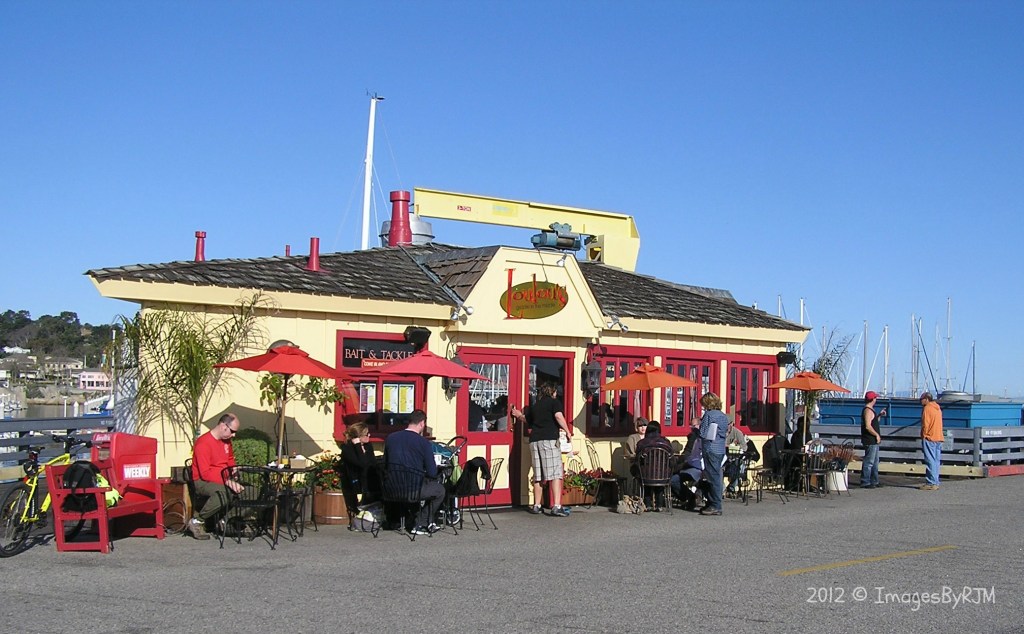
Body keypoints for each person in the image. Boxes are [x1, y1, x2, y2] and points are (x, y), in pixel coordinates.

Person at [510, 382, 573, 517]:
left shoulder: (535, 406)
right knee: (555, 473)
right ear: (552, 392)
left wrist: (517, 414)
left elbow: (526, 419)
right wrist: (567, 431)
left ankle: (537, 505)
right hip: (549, 440)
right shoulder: (554, 403)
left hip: (534, 441)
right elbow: (558, 416)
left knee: (538, 474)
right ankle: (556, 506)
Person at [383, 409, 445, 534]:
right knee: (440, 490)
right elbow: (432, 472)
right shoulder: (423, 443)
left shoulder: (391, 438)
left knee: (418, 485)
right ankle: (421, 523)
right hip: (413, 490)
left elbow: (385, 463)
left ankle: (403, 519)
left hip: (391, 489)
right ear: (422, 423)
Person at [189, 412, 244, 540]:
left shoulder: (227, 441)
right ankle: (197, 521)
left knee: (253, 492)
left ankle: (226, 520)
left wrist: (234, 470)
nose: (234, 435)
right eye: (232, 431)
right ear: (223, 426)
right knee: (223, 493)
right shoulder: (203, 443)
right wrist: (227, 481)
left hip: (223, 478)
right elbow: (205, 473)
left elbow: (230, 458)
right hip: (203, 481)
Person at [697, 392, 729, 516]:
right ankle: (712, 502)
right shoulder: (723, 416)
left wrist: (696, 430)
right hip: (720, 448)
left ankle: (715, 505)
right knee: (716, 476)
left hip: (710, 448)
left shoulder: (708, 415)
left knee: (712, 477)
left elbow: (703, 433)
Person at [633, 420, 672, 509]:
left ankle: (648, 504)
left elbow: (637, 460)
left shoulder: (642, 443)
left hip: (645, 476)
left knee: (643, 472)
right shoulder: (666, 442)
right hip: (663, 476)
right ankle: (659, 505)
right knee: (659, 477)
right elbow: (672, 460)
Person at [340, 421, 381, 507]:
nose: (369, 435)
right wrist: (358, 446)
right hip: (356, 482)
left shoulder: (368, 445)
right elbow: (362, 464)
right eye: (367, 434)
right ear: (358, 436)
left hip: (370, 480)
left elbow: (372, 463)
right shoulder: (347, 449)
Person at [860, 391, 886, 489]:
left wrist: (879, 415)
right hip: (870, 439)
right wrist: (876, 435)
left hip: (873, 440)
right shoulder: (867, 410)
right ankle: (865, 481)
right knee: (869, 461)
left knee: (875, 461)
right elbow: (868, 426)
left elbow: (873, 422)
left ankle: (874, 481)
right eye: (875, 398)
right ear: (872, 399)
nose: (876, 400)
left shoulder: (872, 410)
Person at [919, 392, 944, 491]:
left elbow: (926, 424)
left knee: (930, 460)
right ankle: (936, 481)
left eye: (921, 399)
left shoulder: (927, 408)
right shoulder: (937, 408)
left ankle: (931, 482)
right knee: (936, 461)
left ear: (926, 399)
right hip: (939, 437)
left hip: (930, 437)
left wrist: (924, 435)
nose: (920, 401)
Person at [724, 420, 748, 496]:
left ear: (731, 424)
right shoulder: (720, 432)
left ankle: (731, 488)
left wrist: (732, 446)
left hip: (734, 457)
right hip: (722, 456)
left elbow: (744, 447)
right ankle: (722, 489)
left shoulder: (737, 433)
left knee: (738, 466)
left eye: (727, 424)